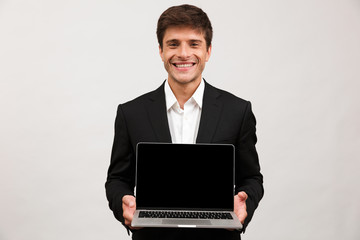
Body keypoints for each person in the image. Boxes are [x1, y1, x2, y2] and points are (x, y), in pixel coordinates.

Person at [105, 4, 263, 240]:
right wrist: (123, 204)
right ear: (160, 51)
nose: (183, 53)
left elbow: (251, 178)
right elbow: (117, 180)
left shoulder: (237, 111)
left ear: (208, 51)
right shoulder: (131, 113)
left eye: (194, 43)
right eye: (173, 44)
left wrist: (244, 204)